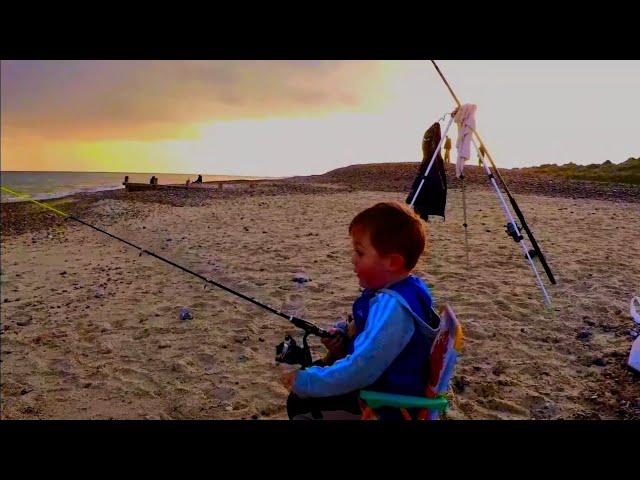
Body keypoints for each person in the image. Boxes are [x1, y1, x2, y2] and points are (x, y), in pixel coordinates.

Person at [282, 201, 440, 420]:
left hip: (385, 405)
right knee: (314, 376)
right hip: (385, 389)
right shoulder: (405, 288)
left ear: (393, 262)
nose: (352, 259)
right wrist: (344, 339)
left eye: (360, 252)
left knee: (299, 404)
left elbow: (361, 369)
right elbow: (376, 344)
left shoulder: (393, 309)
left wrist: (308, 382)